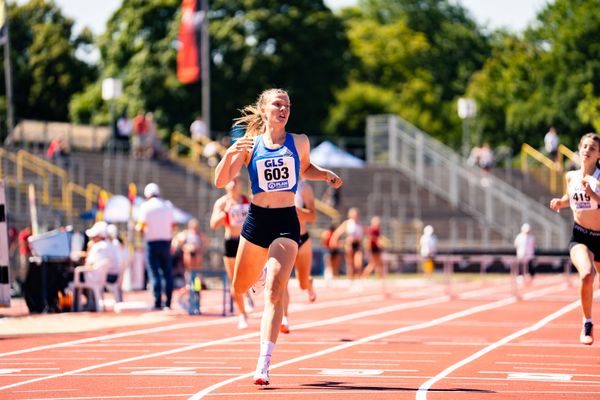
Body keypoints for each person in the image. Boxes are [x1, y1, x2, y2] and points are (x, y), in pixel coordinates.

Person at [213, 88, 342, 385]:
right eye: (277, 104)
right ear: (263, 109)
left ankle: (263, 364)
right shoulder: (249, 146)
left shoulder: (300, 142)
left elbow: (305, 167)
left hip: (286, 220)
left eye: (287, 104)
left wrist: (324, 174)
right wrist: (231, 152)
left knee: (274, 291)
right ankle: (257, 274)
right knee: (241, 285)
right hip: (257, 220)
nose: (284, 109)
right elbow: (221, 180)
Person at [549, 132, 600, 345]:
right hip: (580, 236)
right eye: (584, 146)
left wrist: (594, 194)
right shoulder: (570, 176)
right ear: (579, 149)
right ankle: (587, 322)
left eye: (592, 148)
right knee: (587, 275)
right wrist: (560, 203)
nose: (587, 150)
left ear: (599, 155)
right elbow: (570, 197)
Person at [209, 176, 252, 329]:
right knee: (234, 280)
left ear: (241, 184)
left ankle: (247, 293)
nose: (234, 184)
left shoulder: (248, 201)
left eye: (236, 181)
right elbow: (213, 224)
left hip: (246, 241)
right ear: (226, 185)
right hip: (231, 242)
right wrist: (225, 213)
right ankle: (241, 315)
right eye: (231, 181)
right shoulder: (222, 203)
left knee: (249, 275)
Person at [280, 179, 317, 334]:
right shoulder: (276, 183)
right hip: (281, 238)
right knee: (282, 281)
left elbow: (313, 216)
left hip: (301, 238)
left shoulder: (304, 187)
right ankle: (284, 319)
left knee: (302, 283)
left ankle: (308, 284)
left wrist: (295, 211)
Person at [136, 182, 175, 310]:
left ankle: (158, 301)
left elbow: (140, 227)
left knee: (154, 273)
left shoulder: (145, 206)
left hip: (151, 243)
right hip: (166, 242)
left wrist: (145, 233)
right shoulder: (167, 205)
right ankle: (168, 301)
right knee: (167, 273)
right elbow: (173, 225)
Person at [331, 207, 364, 282]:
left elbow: (365, 232)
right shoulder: (347, 223)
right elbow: (338, 232)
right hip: (349, 245)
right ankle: (351, 280)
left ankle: (360, 278)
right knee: (350, 264)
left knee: (358, 263)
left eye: (356, 215)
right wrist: (334, 239)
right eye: (353, 215)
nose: (355, 216)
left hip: (358, 245)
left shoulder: (360, 224)